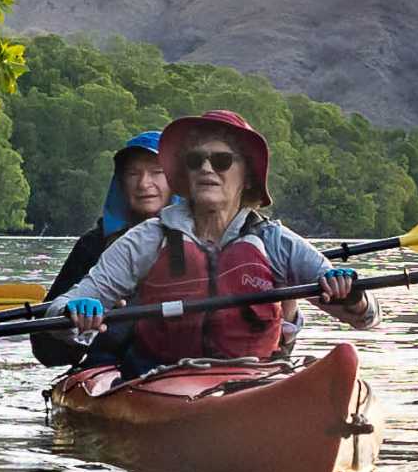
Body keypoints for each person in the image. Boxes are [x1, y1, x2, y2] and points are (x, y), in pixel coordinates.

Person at [49, 108, 377, 372]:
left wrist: (351, 297)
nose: (207, 168)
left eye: (221, 161)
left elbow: (367, 317)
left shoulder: (275, 242)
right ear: (185, 176)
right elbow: (58, 311)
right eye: (195, 161)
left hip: (250, 379)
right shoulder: (148, 239)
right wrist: (75, 314)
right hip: (158, 380)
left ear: (246, 176)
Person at [31, 130, 170, 369]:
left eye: (157, 172)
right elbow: (45, 351)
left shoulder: (199, 238)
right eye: (133, 173)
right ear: (121, 183)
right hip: (110, 370)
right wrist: (73, 324)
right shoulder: (92, 245)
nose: (144, 183)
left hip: (178, 364)